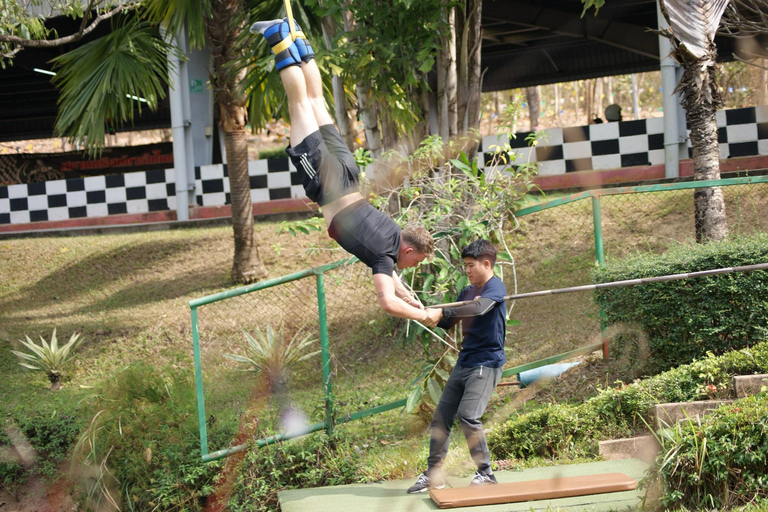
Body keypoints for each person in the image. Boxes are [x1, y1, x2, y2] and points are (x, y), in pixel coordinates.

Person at [251, 18, 442, 327]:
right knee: (299, 105)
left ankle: (299, 39)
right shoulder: (385, 254)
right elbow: (387, 303)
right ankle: (276, 36)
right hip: (327, 182)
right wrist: (423, 315)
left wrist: (407, 294)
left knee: (316, 101)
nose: (406, 268)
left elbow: (391, 272)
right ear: (407, 249)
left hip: (348, 175)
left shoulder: (392, 233)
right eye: (413, 262)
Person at [407, 239, 507, 493]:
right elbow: (450, 319)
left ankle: (486, 473)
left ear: (486, 264)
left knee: (468, 416)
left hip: (486, 362)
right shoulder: (468, 291)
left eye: (471, 265)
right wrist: (427, 313)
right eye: (465, 266)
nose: (467, 270)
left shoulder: (495, 288)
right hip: (465, 362)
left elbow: (479, 310)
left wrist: (444, 313)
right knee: (441, 418)